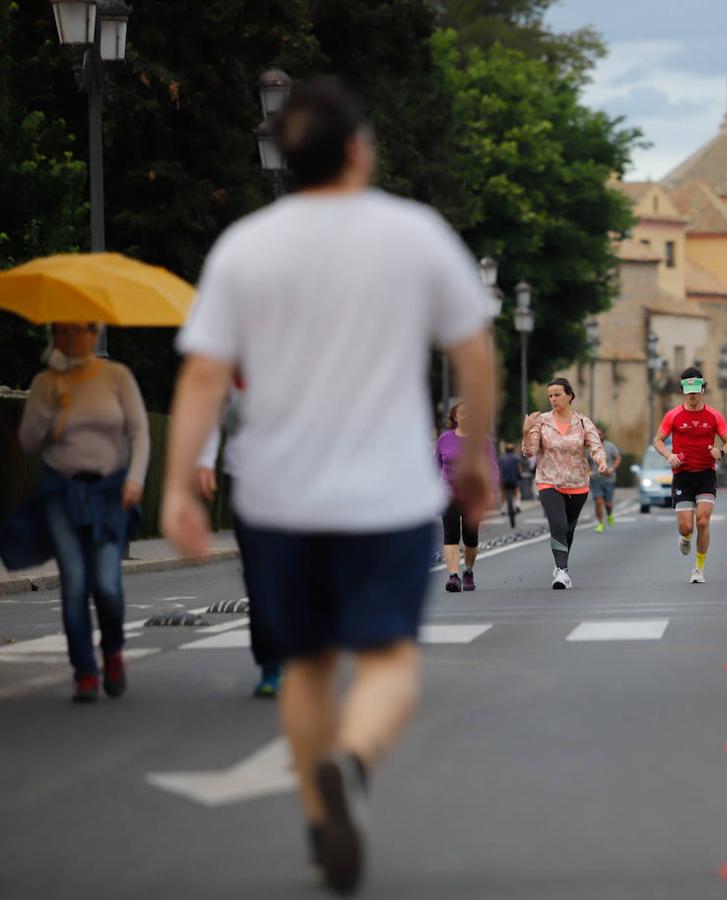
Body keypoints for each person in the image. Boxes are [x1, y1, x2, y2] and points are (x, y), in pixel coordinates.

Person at [160, 79, 497, 895]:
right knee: (386, 659)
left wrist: (175, 486)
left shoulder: (244, 245)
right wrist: (477, 456)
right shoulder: (411, 234)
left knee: (306, 665)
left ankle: (320, 811)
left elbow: (205, 371)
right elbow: (475, 351)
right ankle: (353, 759)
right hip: (384, 494)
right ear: (356, 149)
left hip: (276, 496)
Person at [14, 323, 148, 703]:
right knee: (74, 581)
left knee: (106, 583)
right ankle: (85, 670)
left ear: (94, 335)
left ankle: (113, 650)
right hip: (62, 492)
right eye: (64, 332)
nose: (74, 339)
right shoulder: (46, 383)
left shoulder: (117, 377)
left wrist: (135, 479)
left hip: (109, 492)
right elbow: (27, 441)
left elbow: (140, 433)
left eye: (82, 331)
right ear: (55, 337)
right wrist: (47, 412)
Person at [196, 380, 284, 698]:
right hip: (244, 479)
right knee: (258, 576)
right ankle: (270, 664)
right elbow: (209, 411)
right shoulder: (227, 373)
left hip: (292, 479)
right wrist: (205, 461)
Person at [523, 378, 609, 589]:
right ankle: (561, 571)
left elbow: (595, 445)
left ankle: (562, 566)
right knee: (558, 525)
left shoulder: (582, 422)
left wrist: (602, 461)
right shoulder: (541, 421)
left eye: (557, 394)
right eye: (550, 396)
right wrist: (526, 431)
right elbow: (529, 451)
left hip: (578, 483)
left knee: (568, 529)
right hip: (548, 481)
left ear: (569, 395)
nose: (553, 399)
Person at [653, 367, 727, 584]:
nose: (692, 394)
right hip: (683, 475)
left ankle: (698, 568)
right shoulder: (673, 415)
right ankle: (685, 536)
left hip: (706, 475)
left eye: (696, 389)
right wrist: (668, 455)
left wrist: (721, 452)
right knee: (687, 526)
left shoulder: (714, 415)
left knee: (703, 521)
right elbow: (657, 440)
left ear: (702, 389)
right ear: (683, 390)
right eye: (688, 389)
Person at [437, 400, 499, 592]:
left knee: (471, 538)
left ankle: (469, 571)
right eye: (462, 412)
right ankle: (454, 576)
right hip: (449, 493)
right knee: (450, 536)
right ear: (454, 416)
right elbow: (434, 466)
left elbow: (492, 467)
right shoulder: (444, 439)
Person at [591, 429, 623, 533]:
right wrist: (588, 472)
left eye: (600, 434)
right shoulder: (589, 448)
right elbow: (584, 461)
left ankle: (609, 514)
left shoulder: (610, 446)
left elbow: (618, 458)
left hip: (609, 478)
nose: (599, 436)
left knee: (608, 504)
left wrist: (612, 469)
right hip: (596, 479)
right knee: (598, 501)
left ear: (603, 435)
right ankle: (600, 523)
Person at [498, 441, 523, 529]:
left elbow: (499, 469)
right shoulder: (516, 458)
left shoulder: (501, 458)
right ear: (513, 450)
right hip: (513, 480)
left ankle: (503, 509)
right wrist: (520, 476)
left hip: (504, 480)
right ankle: (517, 505)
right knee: (517, 491)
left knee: (503, 493)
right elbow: (519, 469)